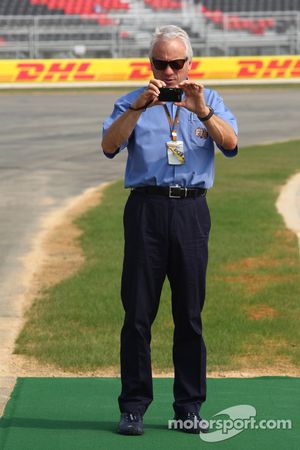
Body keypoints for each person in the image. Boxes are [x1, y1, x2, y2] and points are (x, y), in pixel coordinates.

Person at [101, 25, 238, 436]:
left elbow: (230, 145)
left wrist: (203, 112)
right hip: (146, 209)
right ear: (151, 64)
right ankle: (133, 407)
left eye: (176, 63)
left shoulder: (208, 99)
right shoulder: (132, 101)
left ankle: (189, 408)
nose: (169, 71)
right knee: (138, 314)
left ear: (188, 63)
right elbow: (109, 146)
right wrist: (139, 108)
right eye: (161, 63)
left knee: (190, 315)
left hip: (192, 211)